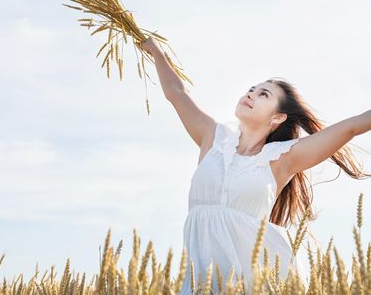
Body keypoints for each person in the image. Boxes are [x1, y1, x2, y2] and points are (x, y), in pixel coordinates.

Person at [139, 36, 371, 293]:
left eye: (263, 94)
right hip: (198, 284)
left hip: (253, 286)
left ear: (278, 117)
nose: (250, 93)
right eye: (252, 89)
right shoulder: (212, 138)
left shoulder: (282, 158)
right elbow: (177, 93)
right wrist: (156, 51)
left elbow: (351, 128)